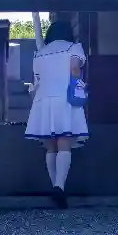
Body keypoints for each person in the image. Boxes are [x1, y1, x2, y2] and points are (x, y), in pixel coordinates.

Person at [24, 20, 88, 206]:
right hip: (64, 97)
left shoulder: (40, 52)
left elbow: (37, 80)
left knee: (50, 146)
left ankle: (55, 185)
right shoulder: (74, 48)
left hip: (43, 99)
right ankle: (59, 186)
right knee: (64, 142)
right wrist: (78, 86)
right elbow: (75, 69)